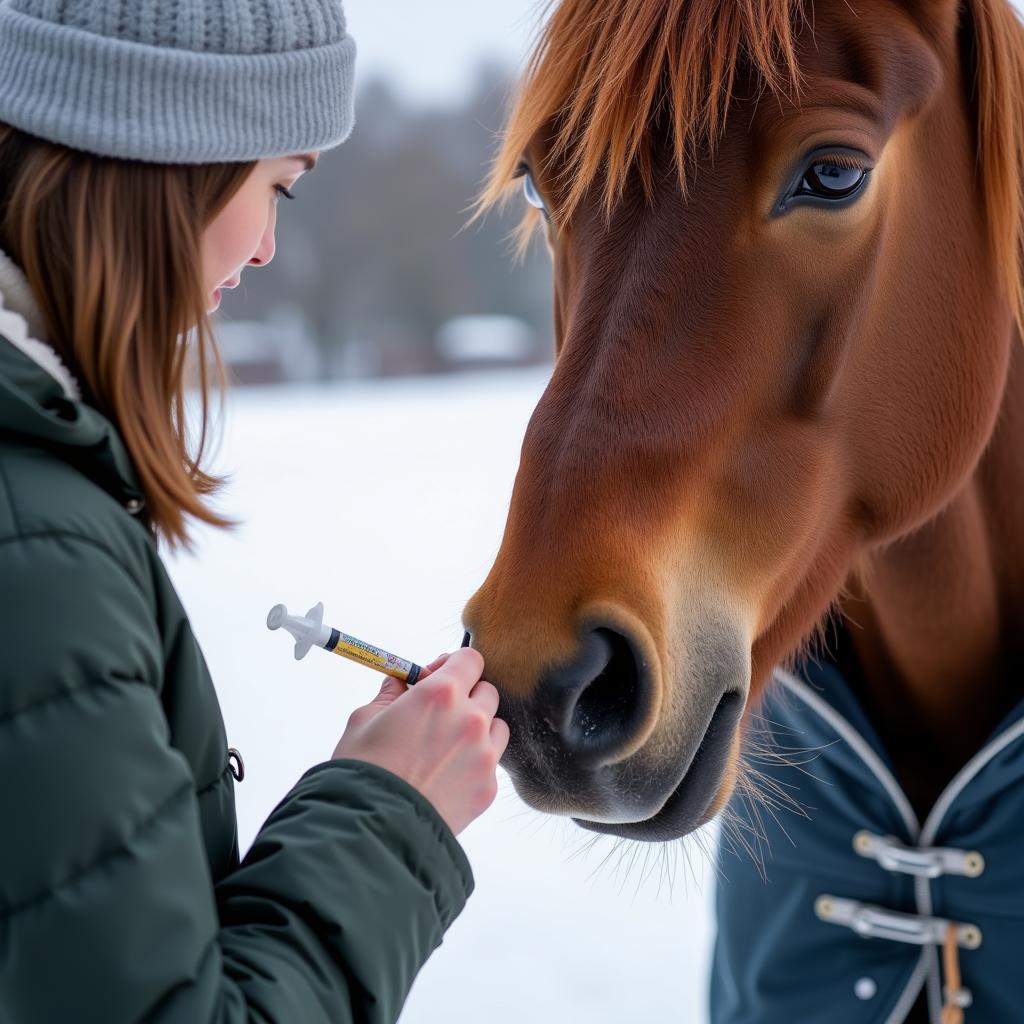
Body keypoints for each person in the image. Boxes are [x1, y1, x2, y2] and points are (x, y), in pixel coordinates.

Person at [0, 1, 509, 1021]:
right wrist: (387, 813)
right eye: (277, 185)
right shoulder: (34, 543)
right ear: (166, 147)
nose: (270, 247)